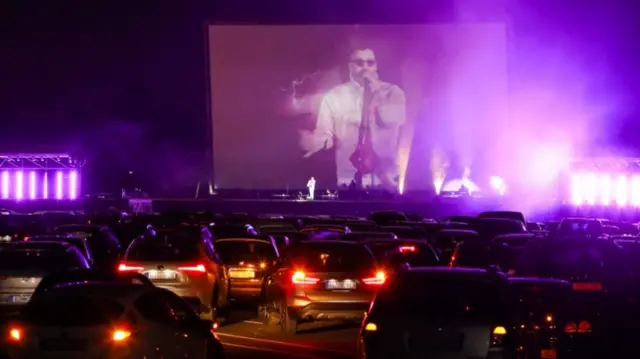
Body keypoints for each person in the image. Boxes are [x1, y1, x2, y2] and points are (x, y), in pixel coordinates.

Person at [301, 46, 406, 189]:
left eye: (370, 62)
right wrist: (316, 142)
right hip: (348, 179)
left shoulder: (393, 93)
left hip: (385, 180)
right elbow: (326, 133)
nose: (365, 67)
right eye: (359, 62)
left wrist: (376, 93)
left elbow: (390, 119)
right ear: (350, 66)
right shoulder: (335, 96)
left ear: (376, 65)